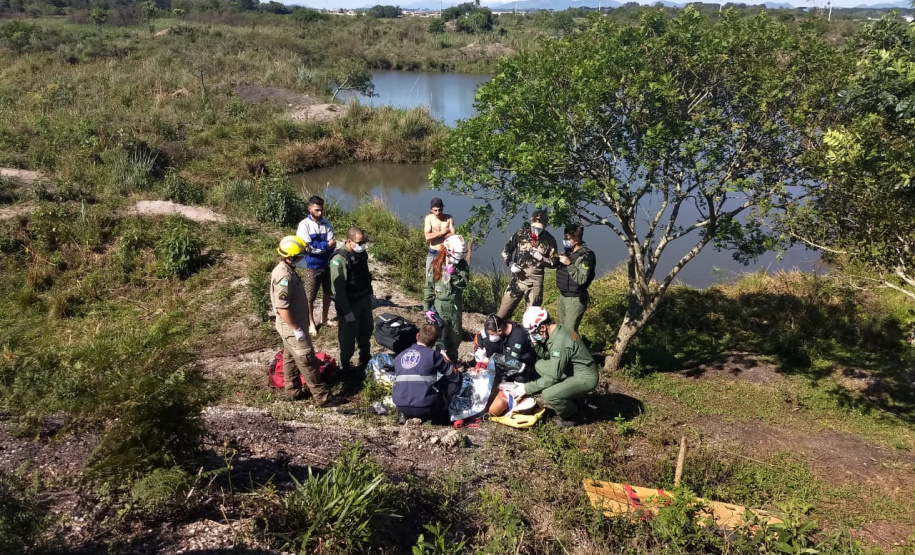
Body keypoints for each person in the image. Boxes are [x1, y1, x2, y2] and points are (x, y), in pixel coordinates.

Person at [270, 236, 335, 405]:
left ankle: (292, 390)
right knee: (307, 359)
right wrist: (296, 329)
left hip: (291, 327)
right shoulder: (284, 277)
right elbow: (282, 308)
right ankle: (323, 397)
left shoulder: (286, 270)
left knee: (290, 357)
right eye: (300, 256)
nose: (302, 259)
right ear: (290, 257)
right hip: (292, 327)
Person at [509, 306, 599, 428]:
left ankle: (573, 414)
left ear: (542, 327)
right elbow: (547, 356)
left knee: (549, 394)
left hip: (585, 377)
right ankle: (572, 394)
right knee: (539, 365)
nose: (533, 336)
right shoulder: (558, 331)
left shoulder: (560, 341)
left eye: (533, 333)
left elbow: (553, 377)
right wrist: (536, 344)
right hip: (571, 369)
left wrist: (527, 388)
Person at [392, 324, 462, 424]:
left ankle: (406, 415)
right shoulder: (433, 354)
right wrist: (447, 359)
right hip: (424, 408)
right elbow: (454, 376)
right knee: (452, 380)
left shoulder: (401, 355)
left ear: (417, 336)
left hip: (401, 406)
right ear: (434, 342)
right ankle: (440, 416)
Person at [497, 210, 558, 320]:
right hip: (517, 281)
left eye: (541, 227)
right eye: (535, 226)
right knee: (502, 314)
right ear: (531, 221)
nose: (537, 229)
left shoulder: (550, 240)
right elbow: (506, 250)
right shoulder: (521, 234)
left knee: (531, 319)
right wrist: (510, 263)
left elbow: (554, 262)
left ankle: (527, 337)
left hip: (535, 284)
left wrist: (542, 258)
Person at [330, 227, 374, 372]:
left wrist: (369, 296)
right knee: (347, 338)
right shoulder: (339, 260)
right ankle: (345, 366)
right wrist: (346, 311)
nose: (362, 245)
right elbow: (338, 290)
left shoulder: (361, 254)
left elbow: (365, 275)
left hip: (364, 300)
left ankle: (365, 358)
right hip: (350, 304)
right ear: (349, 241)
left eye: (363, 242)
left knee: (366, 331)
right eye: (359, 242)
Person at [424, 234, 470, 363]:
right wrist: (427, 308)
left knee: (455, 335)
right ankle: (437, 362)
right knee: (439, 335)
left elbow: (464, 284)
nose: (457, 259)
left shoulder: (462, 265)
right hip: (440, 305)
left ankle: (453, 361)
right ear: (448, 251)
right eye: (455, 256)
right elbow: (428, 287)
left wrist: (454, 275)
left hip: (455, 305)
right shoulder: (436, 264)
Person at [296, 195, 337, 338]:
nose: (320, 213)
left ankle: (325, 318)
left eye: (321, 210)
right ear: (310, 209)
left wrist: (325, 247)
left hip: (327, 264)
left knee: (327, 292)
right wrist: (325, 245)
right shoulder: (304, 225)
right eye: (317, 210)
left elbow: (334, 244)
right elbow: (308, 248)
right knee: (309, 297)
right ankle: (311, 322)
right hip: (311, 266)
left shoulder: (327, 223)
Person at [472, 314, 537, 382]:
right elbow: (481, 334)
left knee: (519, 379)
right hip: (505, 352)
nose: (491, 336)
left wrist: (489, 365)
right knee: (486, 341)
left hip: (521, 361)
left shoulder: (518, 338)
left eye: (492, 334)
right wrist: (478, 348)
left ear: (500, 331)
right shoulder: (502, 326)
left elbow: (510, 359)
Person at [556, 224, 596, 332]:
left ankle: (576, 348)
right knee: (560, 330)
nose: (565, 240)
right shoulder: (569, 252)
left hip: (575, 299)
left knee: (569, 333)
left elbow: (581, 279)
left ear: (576, 239)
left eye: (568, 238)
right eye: (565, 237)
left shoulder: (586, 256)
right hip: (563, 296)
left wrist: (569, 264)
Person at [424, 197, 456, 272]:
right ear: (431, 210)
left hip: (446, 254)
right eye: (435, 210)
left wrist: (434, 235)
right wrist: (443, 232)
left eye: (440, 210)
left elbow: (453, 236)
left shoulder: (449, 218)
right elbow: (427, 237)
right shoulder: (429, 219)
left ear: (442, 209)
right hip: (433, 253)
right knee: (430, 277)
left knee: (446, 278)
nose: (438, 212)